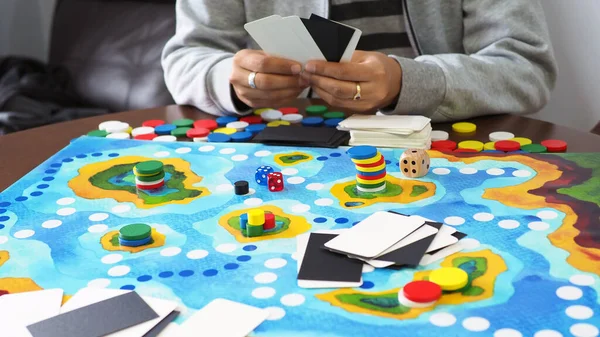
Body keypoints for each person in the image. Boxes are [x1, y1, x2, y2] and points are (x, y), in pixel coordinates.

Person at [162, 0, 557, 122]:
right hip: (286, 151)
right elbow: (186, 55)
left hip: (445, 152)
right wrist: (230, 79)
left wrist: (407, 82)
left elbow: (525, 67)